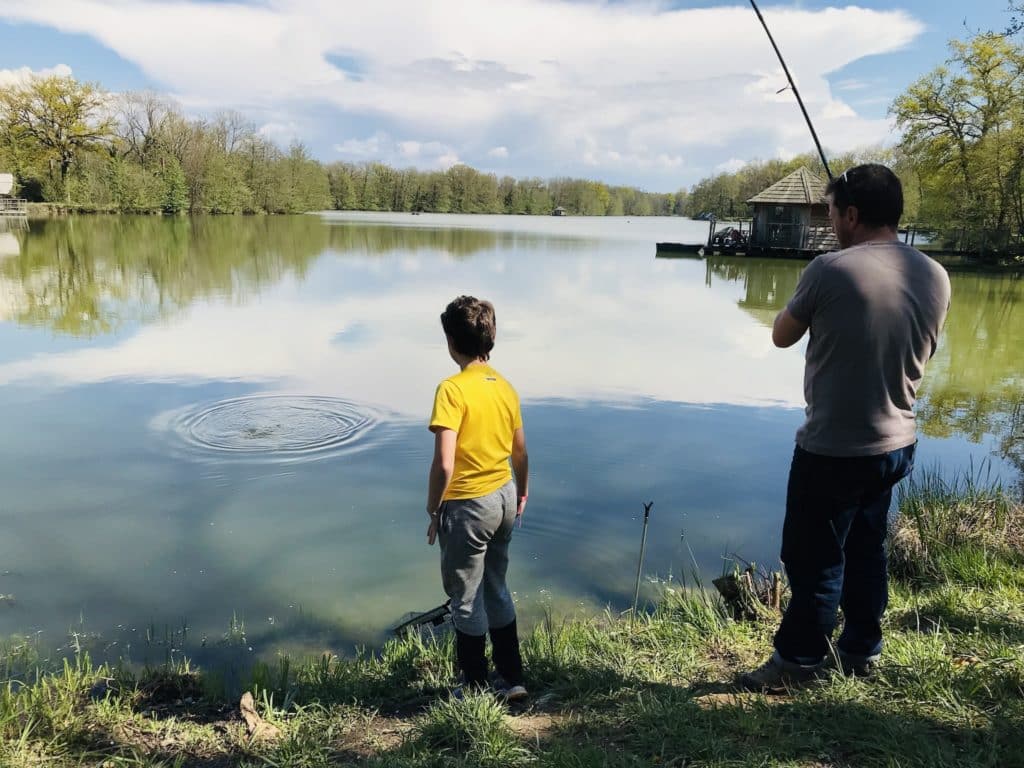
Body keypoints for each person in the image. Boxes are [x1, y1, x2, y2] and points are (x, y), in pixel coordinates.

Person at [740, 164, 951, 692]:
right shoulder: (935, 275)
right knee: (866, 547)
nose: (830, 221)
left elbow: (781, 336)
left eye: (832, 212)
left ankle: (798, 663)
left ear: (852, 214)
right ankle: (861, 649)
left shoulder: (829, 269)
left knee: (813, 558)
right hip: (898, 442)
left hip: (835, 446)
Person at [426, 295, 530, 700]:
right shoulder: (505, 387)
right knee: (496, 586)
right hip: (504, 497)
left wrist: (434, 508)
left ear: (452, 341)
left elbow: (445, 465)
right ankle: (512, 677)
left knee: (465, 597)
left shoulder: (451, 390)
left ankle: (473, 687)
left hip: (469, 506)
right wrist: (521, 492)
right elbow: (520, 452)